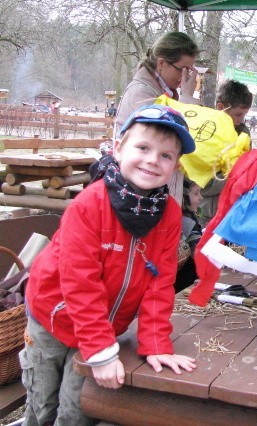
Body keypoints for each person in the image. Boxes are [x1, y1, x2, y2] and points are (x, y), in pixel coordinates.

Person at [19, 105, 198, 425]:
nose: (153, 160)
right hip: (52, 315)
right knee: (42, 401)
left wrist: (156, 343)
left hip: (105, 324)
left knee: (78, 407)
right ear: (118, 148)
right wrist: (101, 351)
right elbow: (80, 283)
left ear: (176, 165)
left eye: (166, 155)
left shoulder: (170, 215)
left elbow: (160, 281)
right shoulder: (90, 204)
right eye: (142, 147)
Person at [114, 31, 201, 135]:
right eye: (182, 70)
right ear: (161, 63)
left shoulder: (163, 90)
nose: (184, 76)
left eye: (188, 71)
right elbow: (162, 136)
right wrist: (186, 100)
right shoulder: (142, 93)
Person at [199, 79, 253, 227]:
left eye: (244, 115)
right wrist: (234, 175)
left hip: (233, 209)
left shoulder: (243, 132)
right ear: (221, 107)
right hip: (208, 213)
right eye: (238, 114)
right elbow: (203, 184)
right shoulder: (205, 132)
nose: (241, 120)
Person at [175, 177, 203, 292]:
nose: (201, 198)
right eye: (196, 193)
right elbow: (199, 254)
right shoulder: (188, 222)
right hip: (186, 285)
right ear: (183, 197)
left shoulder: (180, 217)